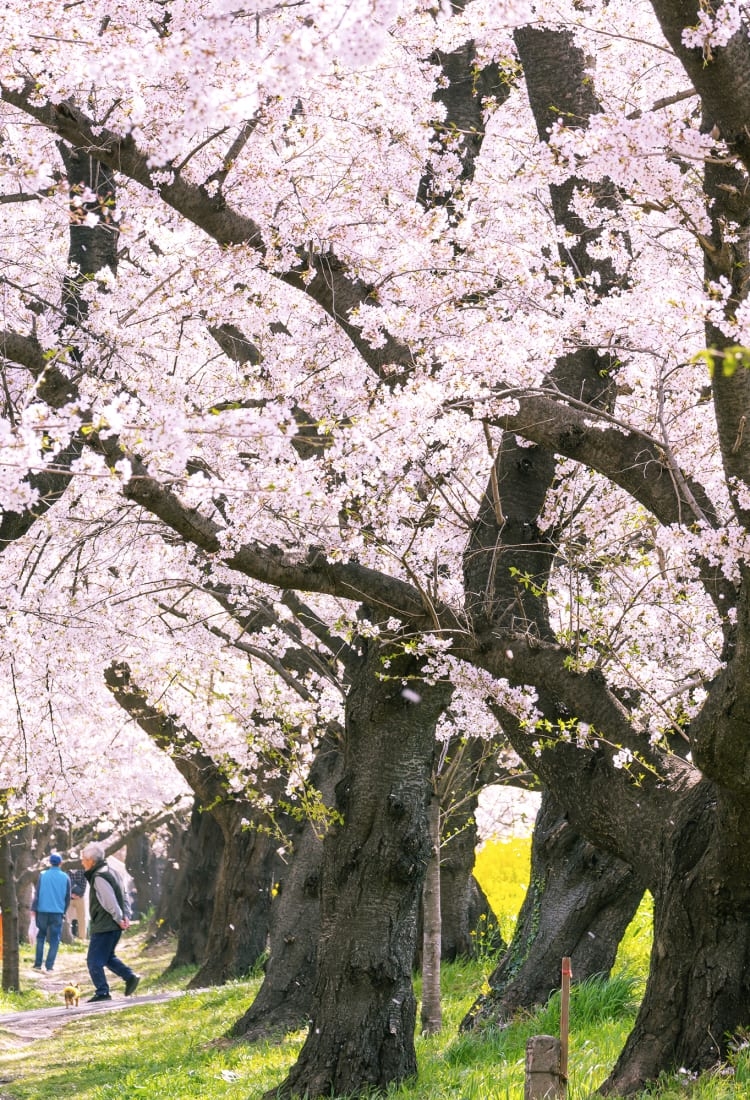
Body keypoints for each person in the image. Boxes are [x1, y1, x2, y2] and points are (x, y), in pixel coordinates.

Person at [80, 842, 141, 1003]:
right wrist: (126, 915)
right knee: (107, 957)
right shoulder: (112, 872)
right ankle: (130, 977)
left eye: (83, 859)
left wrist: (120, 918)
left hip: (105, 924)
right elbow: (124, 896)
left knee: (93, 961)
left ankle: (102, 992)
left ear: (91, 860)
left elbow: (110, 901)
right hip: (113, 924)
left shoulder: (99, 876)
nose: (82, 862)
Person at [31, 853, 71, 973]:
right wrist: (64, 911)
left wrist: (34, 909)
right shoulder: (65, 877)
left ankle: (38, 964)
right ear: (60, 863)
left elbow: (37, 894)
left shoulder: (42, 875)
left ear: (50, 863)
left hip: (42, 911)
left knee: (41, 937)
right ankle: (49, 966)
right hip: (57, 912)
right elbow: (67, 897)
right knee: (54, 939)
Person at [66, 852, 88, 939]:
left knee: (81, 918)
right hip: (70, 897)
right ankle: (69, 936)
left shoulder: (82, 870)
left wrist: (80, 894)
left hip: (79, 897)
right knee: (68, 918)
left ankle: (82, 937)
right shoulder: (66, 870)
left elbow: (84, 883)